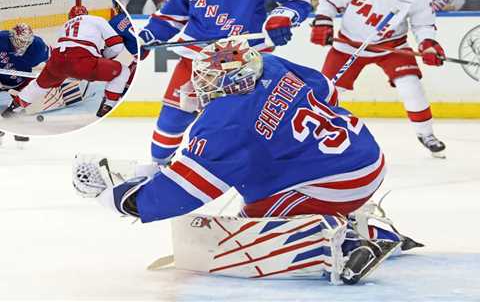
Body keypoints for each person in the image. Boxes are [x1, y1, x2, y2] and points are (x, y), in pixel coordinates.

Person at [73, 39, 422, 284]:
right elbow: (327, 94)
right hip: (365, 154)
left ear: (231, 81)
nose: (202, 86)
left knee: (254, 220)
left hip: (337, 181)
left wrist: (120, 199)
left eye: (209, 80)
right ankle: (361, 219)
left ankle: (347, 242)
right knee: (267, 179)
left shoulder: (227, 122)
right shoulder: (272, 63)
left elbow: (181, 193)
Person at [138, 0, 311, 164]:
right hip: (197, 57)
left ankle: (261, 172)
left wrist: (282, 18)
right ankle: (157, 166)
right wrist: (147, 36)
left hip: (245, 59)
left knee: (246, 122)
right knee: (173, 117)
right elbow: (171, 15)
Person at [311, 0, 447, 157]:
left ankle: (426, 134)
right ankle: (312, 137)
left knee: (410, 86)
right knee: (327, 92)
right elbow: (329, 1)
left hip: (392, 46)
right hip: (349, 45)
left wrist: (428, 44)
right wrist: (323, 23)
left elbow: (423, 24)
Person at [2, 6, 131, 118]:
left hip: (57, 62)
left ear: (69, 17)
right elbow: (116, 46)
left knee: (38, 86)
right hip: (81, 61)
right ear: (86, 15)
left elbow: (60, 53)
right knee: (123, 71)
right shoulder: (96, 19)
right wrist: (103, 58)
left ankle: (12, 109)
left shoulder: (64, 26)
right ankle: (107, 108)